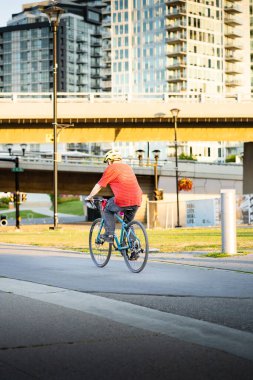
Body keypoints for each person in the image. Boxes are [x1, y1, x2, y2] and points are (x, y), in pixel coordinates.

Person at [86, 150, 142, 243]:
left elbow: (99, 185)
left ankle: (109, 234)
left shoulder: (111, 168)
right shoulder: (128, 167)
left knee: (107, 209)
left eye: (107, 163)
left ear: (109, 161)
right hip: (137, 199)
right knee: (128, 224)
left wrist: (90, 196)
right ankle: (133, 248)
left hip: (123, 199)